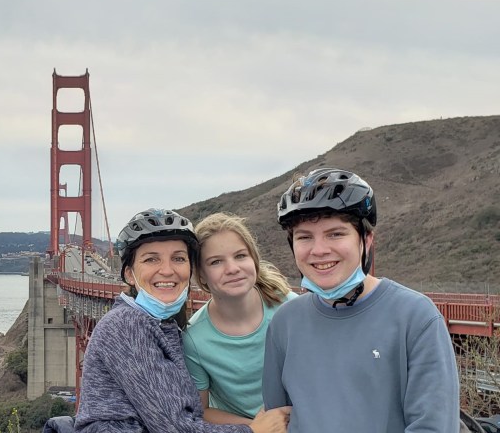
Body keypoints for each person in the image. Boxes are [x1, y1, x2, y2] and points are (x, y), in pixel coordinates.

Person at [263, 168, 460, 432]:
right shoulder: (284, 323)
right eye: (304, 237)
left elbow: (433, 426)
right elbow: (277, 420)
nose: (319, 250)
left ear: (366, 241)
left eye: (336, 233)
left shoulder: (415, 317)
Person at [73, 208, 289, 433]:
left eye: (178, 258)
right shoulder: (125, 325)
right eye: (151, 259)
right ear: (129, 274)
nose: (167, 270)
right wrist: (254, 431)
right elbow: (175, 427)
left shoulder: (161, 324)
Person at [183, 212, 297, 425]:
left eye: (240, 256)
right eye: (216, 262)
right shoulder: (194, 339)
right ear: (201, 275)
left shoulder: (289, 307)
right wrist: (255, 427)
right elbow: (201, 410)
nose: (232, 269)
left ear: (254, 260)